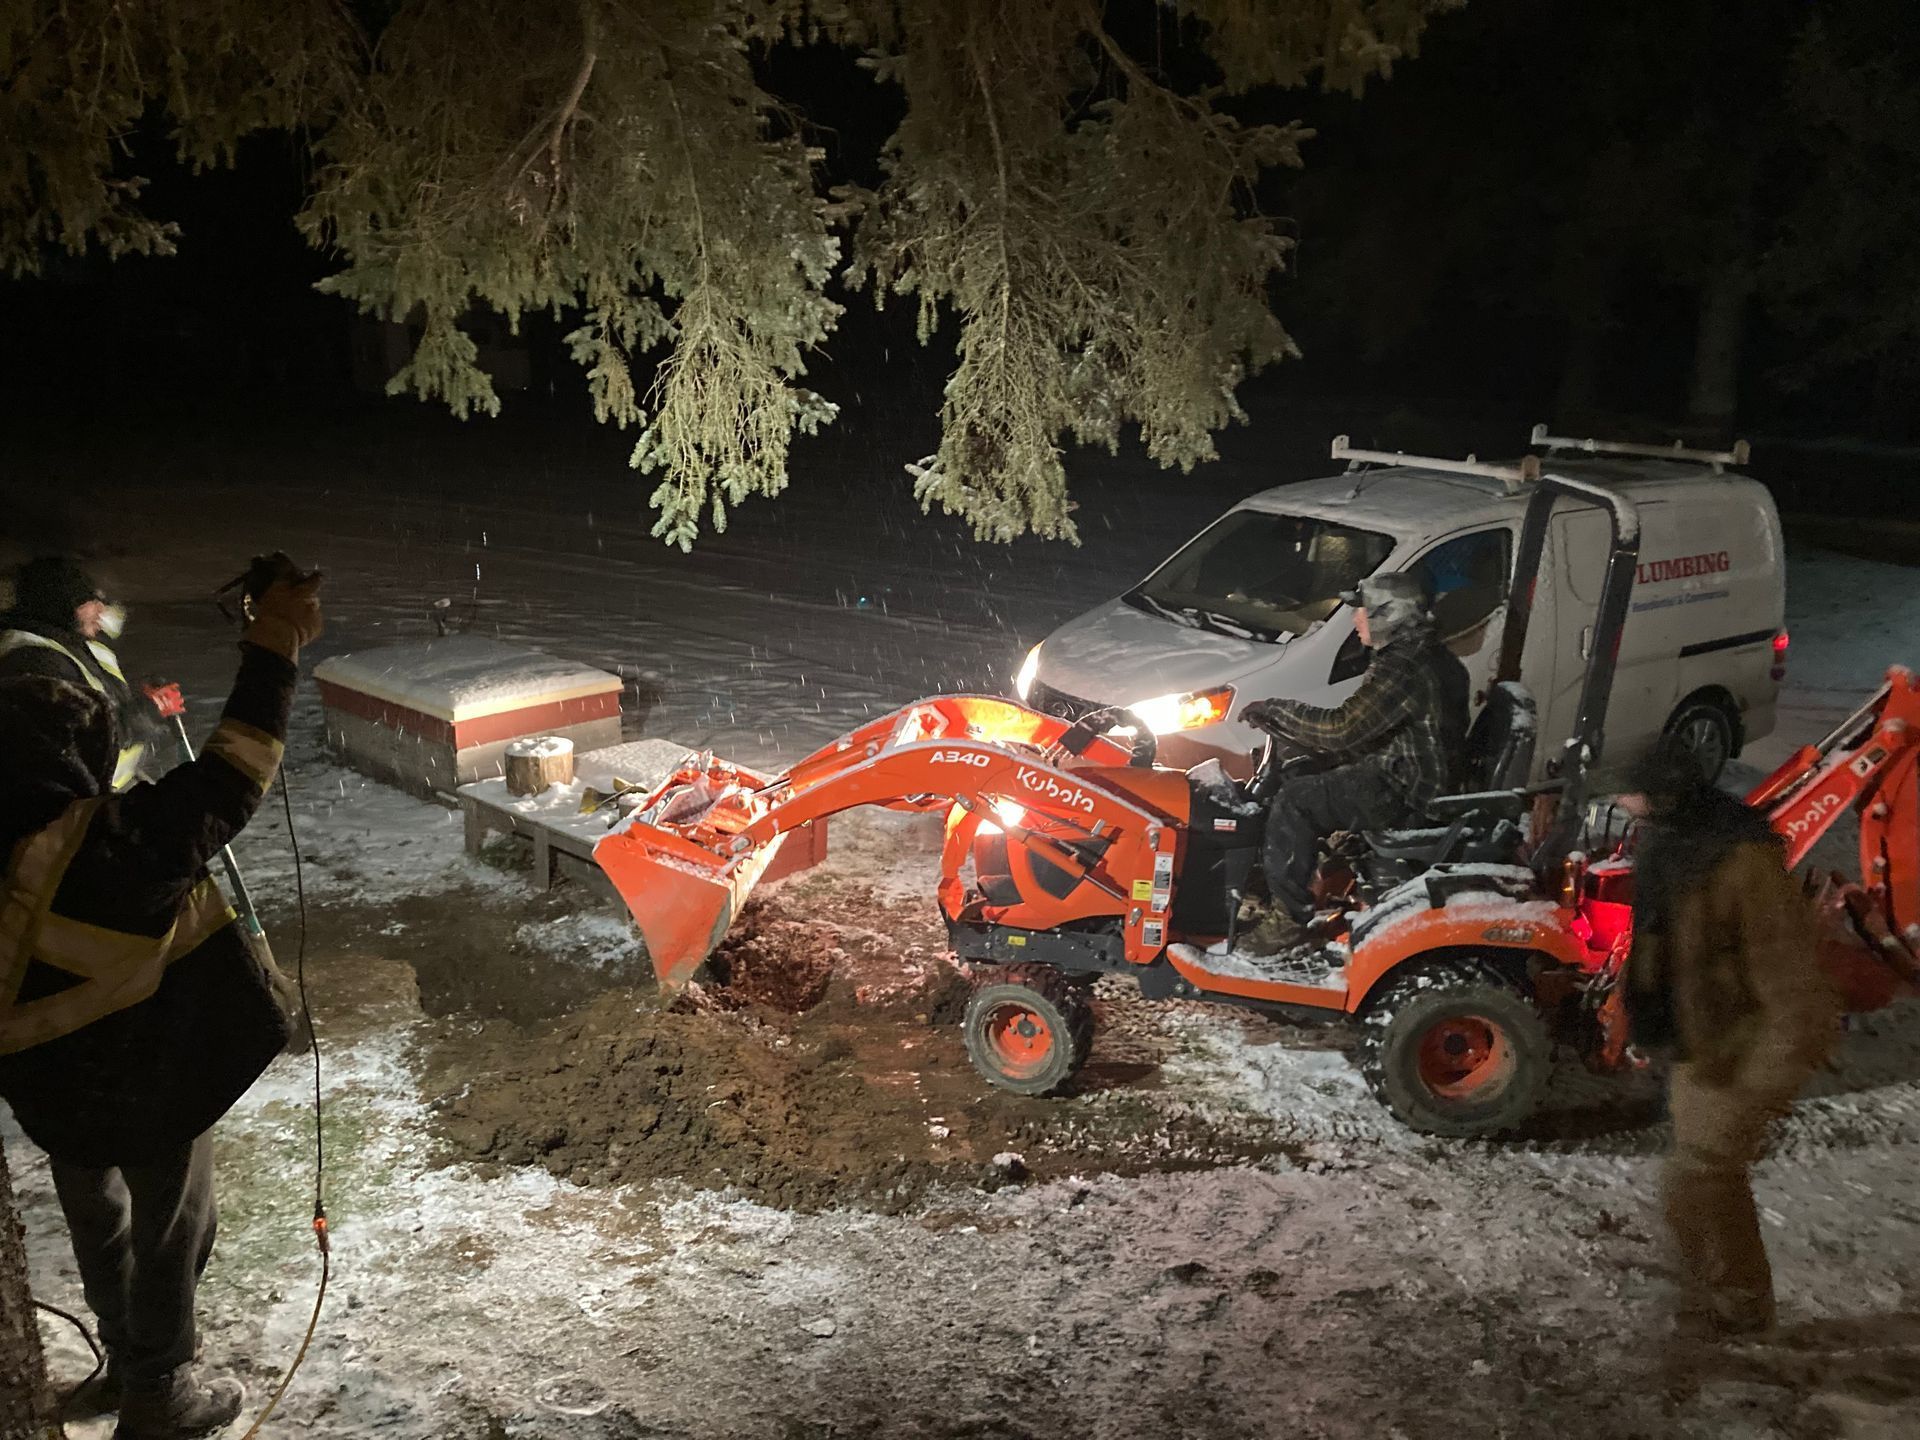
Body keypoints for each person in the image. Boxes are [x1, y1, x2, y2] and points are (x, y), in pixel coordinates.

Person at [0, 559, 322, 1439]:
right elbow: (235, 769)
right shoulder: (108, 845)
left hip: (46, 1089)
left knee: (93, 1210)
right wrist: (276, 644)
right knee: (173, 1225)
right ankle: (158, 1389)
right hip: (146, 1072)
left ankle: (118, 1359)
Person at [1620, 739, 1841, 1340]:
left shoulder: (1739, 858)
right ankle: (1718, 1296)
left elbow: (1790, 979)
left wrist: (1768, 1070)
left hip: (1744, 1044)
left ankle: (1740, 1308)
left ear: (1661, 795)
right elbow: (1661, 943)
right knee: (1694, 1182)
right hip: (1704, 1042)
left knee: (1701, 1177)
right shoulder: (1676, 842)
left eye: (1629, 794)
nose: (1621, 805)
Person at [1237, 572, 1470, 954]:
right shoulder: (1426, 655)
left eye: (1361, 611)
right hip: (1414, 776)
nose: (1354, 619)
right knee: (1304, 771)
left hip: (1405, 793)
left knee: (1295, 799)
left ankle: (1288, 922)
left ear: (1387, 615)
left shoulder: (1404, 667)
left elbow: (1341, 728)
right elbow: (1366, 729)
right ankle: (1302, 888)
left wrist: (1277, 710)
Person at [0, 555, 153, 789]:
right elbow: (81, 740)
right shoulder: (36, 661)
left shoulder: (71, 642)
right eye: (87, 600)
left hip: (110, 787)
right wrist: (145, 714)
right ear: (60, 605)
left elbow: (102, 694)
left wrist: (146, 698)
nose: (101, 609)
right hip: (83, 803)